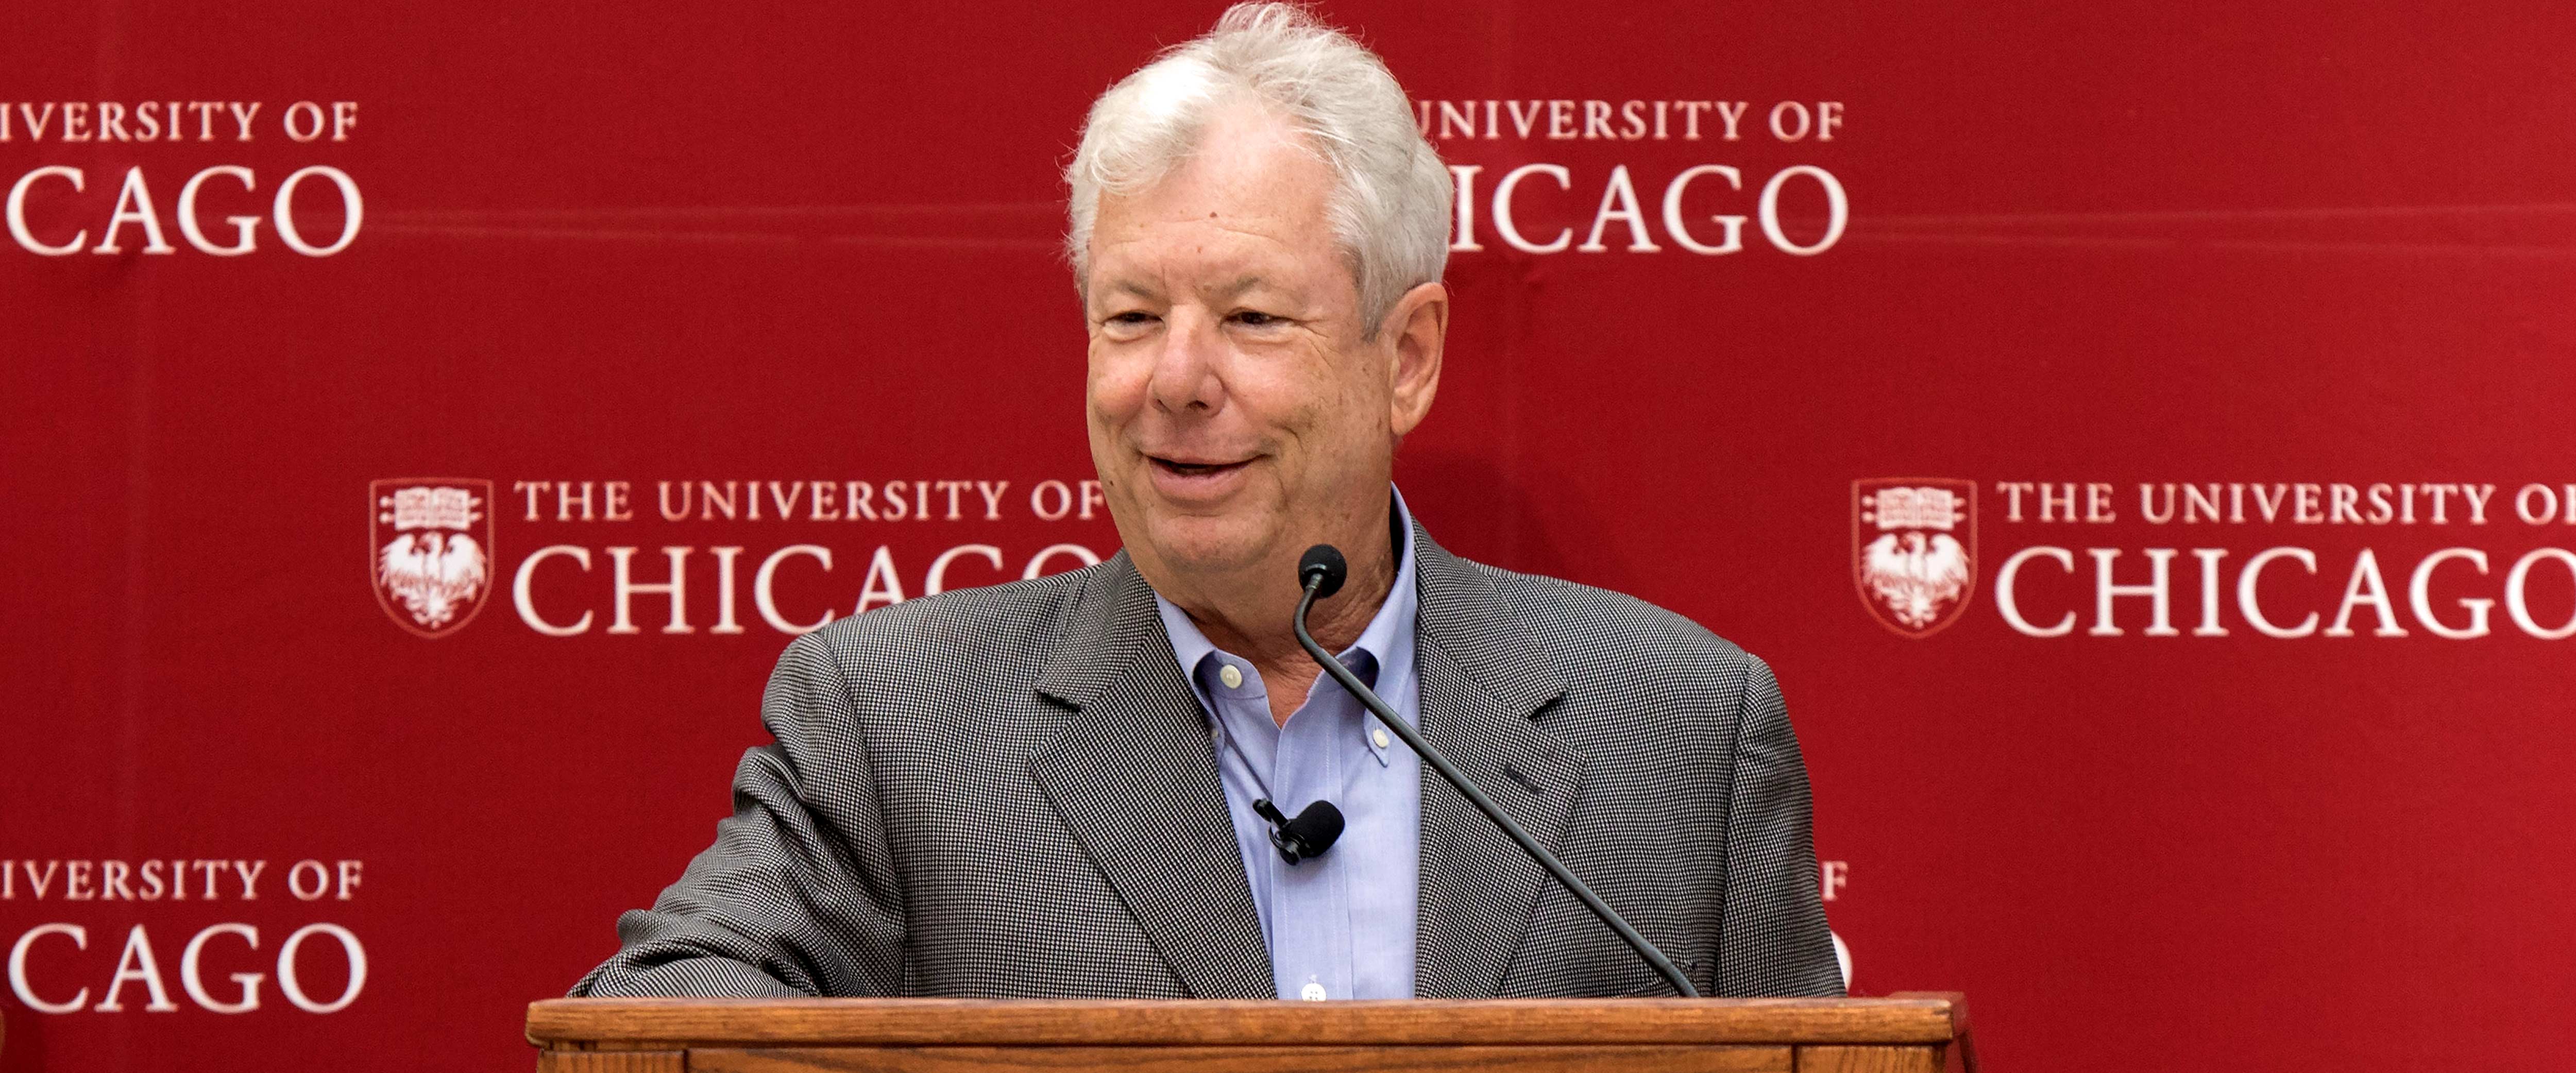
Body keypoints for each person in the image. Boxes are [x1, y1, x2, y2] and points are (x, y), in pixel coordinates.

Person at [574, 3, 1840, 1001]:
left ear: (1405, 359)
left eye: (1248, 317)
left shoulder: (1680, 735)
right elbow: (655, 1011)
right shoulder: (897, 724)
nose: (1173, 381)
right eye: (1130, 318)